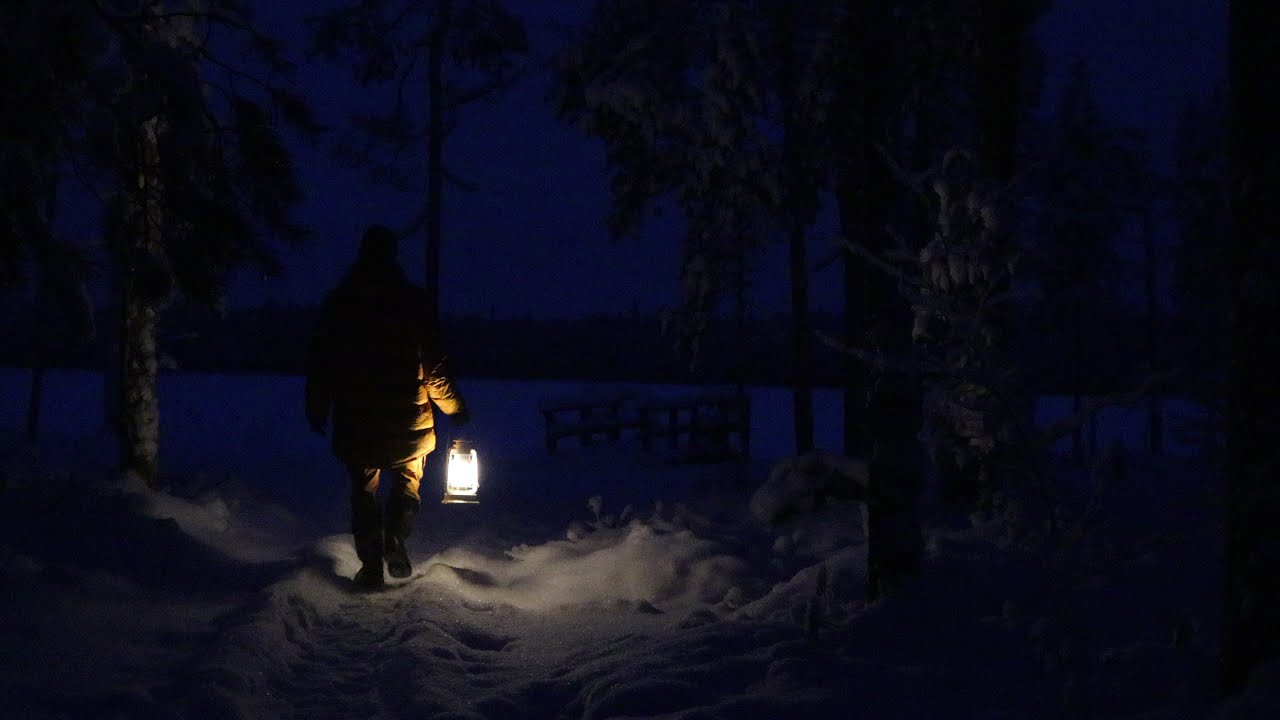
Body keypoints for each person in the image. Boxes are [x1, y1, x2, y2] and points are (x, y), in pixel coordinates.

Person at [305, 224, 469, 589]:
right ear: (394, 256)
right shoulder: (413, 303)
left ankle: (371, 566)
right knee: (408, 480)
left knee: (364, 490)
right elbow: (434, 368)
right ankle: (396, 535)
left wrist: (317, 405)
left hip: (357, 418)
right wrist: (454, 408)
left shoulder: (341, 303)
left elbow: (323, 363)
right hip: (408, 417)